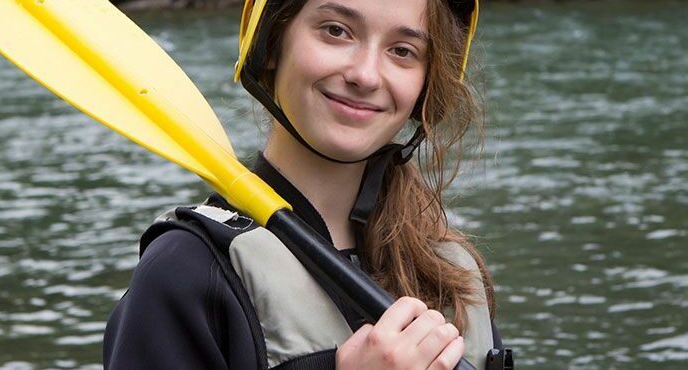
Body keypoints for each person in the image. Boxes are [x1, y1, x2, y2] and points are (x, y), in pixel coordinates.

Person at [104, 0, 503, 369]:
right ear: (272, 43)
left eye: (402, 51)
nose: (365, 75)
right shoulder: (183, 273)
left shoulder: (451, 273)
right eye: (336, 31)